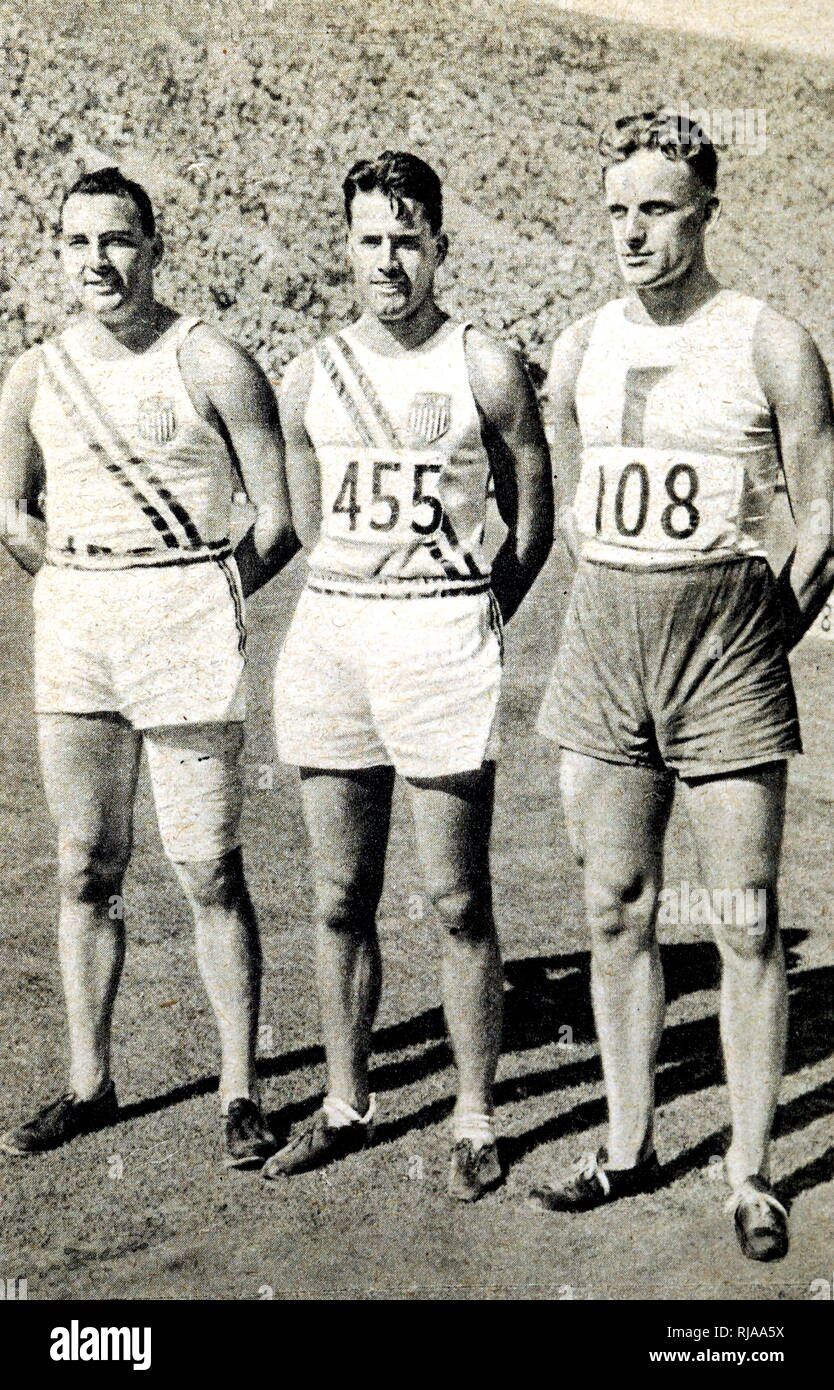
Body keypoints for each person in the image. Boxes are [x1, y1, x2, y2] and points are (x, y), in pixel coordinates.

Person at [528, 112, 834, 1260]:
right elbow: (573, 500)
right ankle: (626, 1142)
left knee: (745, 919)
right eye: (617, 209)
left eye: (657, 208)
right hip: (609, 647)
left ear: (707, 209)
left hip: (725, 653)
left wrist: (770, 634)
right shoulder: (577, 346)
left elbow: (825, 513)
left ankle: (752, 1171)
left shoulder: (769, 340)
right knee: (616, 909)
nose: (633, 231)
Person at [265, 150, 553, 1201]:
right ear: (346, 246)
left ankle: (475, 1112)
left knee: (454, 894)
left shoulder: (482, 365)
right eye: (369, 240)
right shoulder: (309, 374)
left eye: (407, 238)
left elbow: (534, 512)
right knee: (340, 893)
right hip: (337, 636)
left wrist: (478, 612)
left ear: (440, 244)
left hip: (440, 639)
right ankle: (345, 1101)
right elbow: (304, 521)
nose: (389, 261)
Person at [0, 167, 299, 1169]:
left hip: (185, 627)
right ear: (60, 254)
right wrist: (79, 576)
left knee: (208, 867)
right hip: (80, 629)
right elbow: (11, 511)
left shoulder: (210, 359)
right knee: (87, 864)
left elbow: (281, 516)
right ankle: (90, 1080)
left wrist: (204, 595)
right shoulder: (35, 372)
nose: (100, 260)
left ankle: (240, 1090)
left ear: (156, 247)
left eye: (120, 240)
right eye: (80, 242)